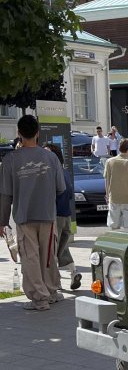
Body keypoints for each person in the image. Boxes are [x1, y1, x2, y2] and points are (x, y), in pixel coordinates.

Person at [0, 115, 66, 311]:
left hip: (24, 215)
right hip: (47, 214)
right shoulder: (51, 157)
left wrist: (3, 221)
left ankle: (39, 299)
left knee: (30, 257)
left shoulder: (10, 159)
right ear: (38, 132)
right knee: (48, 256)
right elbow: (61, 188)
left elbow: (5, 194)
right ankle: (51, 292)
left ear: (19, 133)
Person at [44, 143, 81, 290]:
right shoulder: (65, 171)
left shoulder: (51, 172)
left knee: (51, 249)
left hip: (55, 215)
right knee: (62, 248)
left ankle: (55, 282)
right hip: (66, 214)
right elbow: (70, 194)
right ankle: (74, 272)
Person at [104, 138, 128, 229]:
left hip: (114, 198)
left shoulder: (109, 162)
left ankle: (115, 242)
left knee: (114, 226)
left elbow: (107, 180)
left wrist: (107, 195)